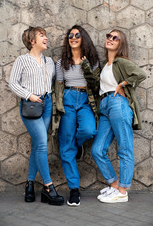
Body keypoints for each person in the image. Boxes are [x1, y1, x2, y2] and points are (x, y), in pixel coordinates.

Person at [9, 26, 64, 206]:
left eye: (45, 35)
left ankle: (30, 185)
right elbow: (12, 83)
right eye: (42, 36)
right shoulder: (22, 60)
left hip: (47, 105)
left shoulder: (49, 62)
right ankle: (48, 187)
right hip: (31, 106)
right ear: (32, 41)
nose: (46, 38)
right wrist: (29, 95)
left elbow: (58, 77)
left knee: (37, 145)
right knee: (41, 144)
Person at [91, 29, 147, 203]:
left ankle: (123, 190)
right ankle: (114, 185)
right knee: (97, 150)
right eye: (109, 36)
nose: (110, 39)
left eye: (115, 38)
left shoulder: (121, 61)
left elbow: (141, 74)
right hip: (105, 107)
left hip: (118, 104)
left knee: (124, 148)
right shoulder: (105, 65)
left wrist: (123, 84)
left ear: (120, 44)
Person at [55, 25, 100, 206]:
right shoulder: (61, 63)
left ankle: (77, 145)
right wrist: (57, 108)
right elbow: (58, 86)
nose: (73, 37)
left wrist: (86, 66)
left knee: (89, 130)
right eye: (70, 35)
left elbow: (95, 86)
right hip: (67, 99)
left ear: (84, 39)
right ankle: (74, 189)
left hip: (85, 99)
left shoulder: (93, 60)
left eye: (77, 35)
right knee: (65, 146)